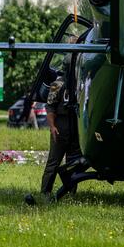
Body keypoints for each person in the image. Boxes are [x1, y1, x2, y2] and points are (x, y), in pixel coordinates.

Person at [40, 59, 82, 199]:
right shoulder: (57, 85)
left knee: (73, 163)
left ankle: (71, 192)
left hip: (75, 125)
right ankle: (45, 192)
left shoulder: (81, 85)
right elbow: (50, 107)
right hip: (61, 125)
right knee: (53, 161)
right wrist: (52, 126)